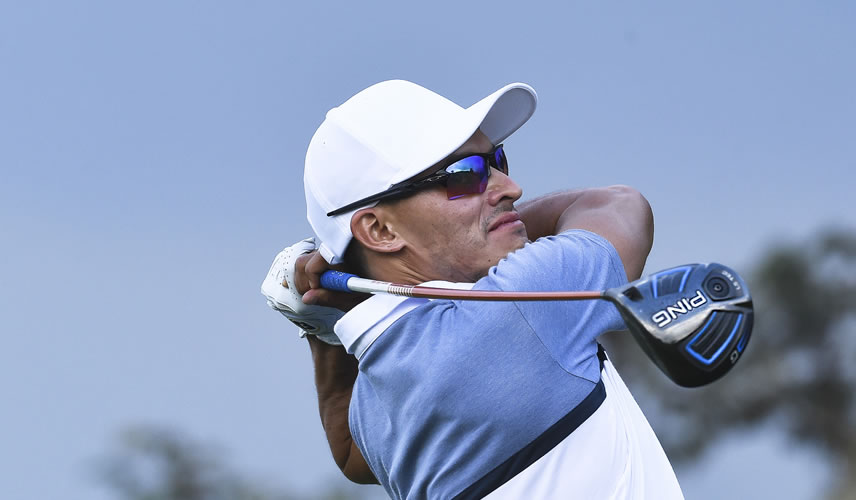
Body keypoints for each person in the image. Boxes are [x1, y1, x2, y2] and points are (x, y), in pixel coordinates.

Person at [261, 80, 684, 499]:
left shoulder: (375, 402)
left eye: (497, 160)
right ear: (380, 231)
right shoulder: (521, 306)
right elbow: (616, 204)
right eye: (465, 175)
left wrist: (320, 325)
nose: (511, 188)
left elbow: (349, 453)